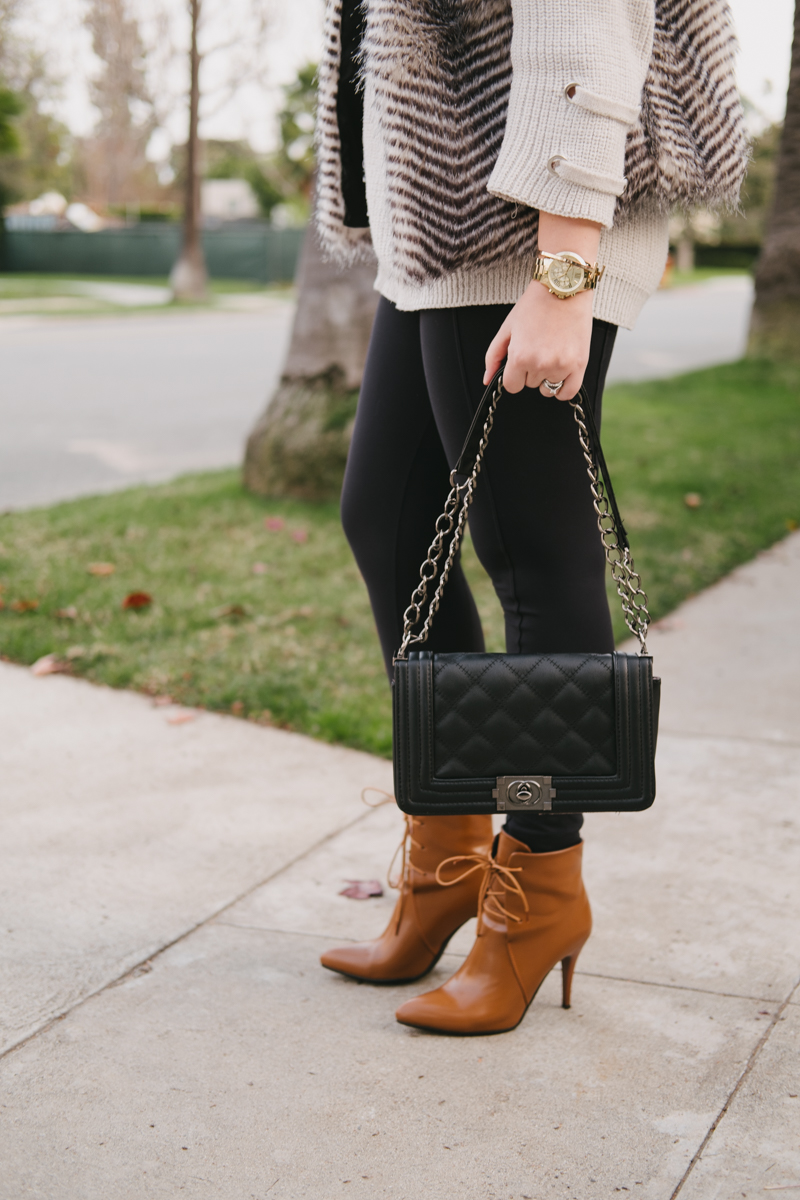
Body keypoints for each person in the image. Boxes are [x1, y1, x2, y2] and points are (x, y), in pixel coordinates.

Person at [315, 0, 748, 1035]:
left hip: (530, 219)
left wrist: (563, 275)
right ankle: (448, 861)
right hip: (440, 211)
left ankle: (538, 890)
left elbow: (580, 31)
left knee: (529, 549)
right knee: (385, 519)